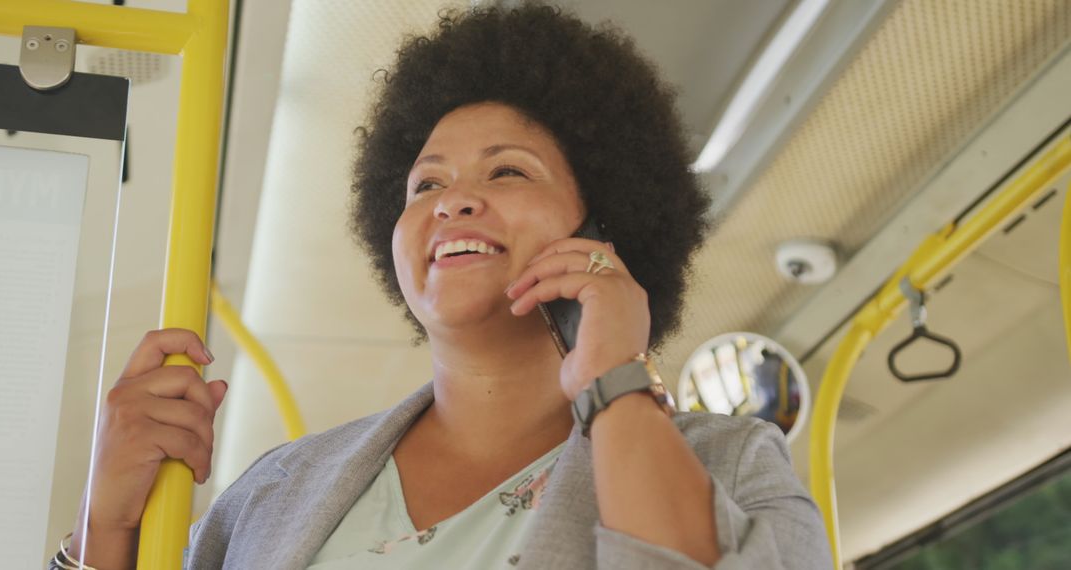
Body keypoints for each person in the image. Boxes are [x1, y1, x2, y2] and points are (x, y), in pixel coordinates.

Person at [59, 4, 831, 569]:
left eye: (507, 170)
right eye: (424, 184)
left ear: (604, 229)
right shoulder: (273, 493)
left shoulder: (726, 465)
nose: (452, 201)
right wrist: (106, 528)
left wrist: (613, 382)